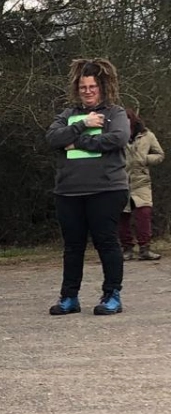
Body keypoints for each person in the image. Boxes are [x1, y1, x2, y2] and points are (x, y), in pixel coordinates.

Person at [44, 57, 130, 316]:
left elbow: (118, 139)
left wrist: (78, 142)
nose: (88, 91)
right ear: (77, 89)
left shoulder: (115, 113)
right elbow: (52, 138)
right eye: (83, 87)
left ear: (102, 87)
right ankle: (69, 297)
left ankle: (112, 295)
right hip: (68, 191)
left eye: (92, 86)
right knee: (72, 247)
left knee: (106, 242)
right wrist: (82, 125)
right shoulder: (68, 115)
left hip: (107, 190)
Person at [119, 108, 163, 262]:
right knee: (122, 216)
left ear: (133, 119)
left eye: (127, 118)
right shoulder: (116, 136)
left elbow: (159, 155)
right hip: (120, 181)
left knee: (144, 214)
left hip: (141, 181)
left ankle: (145, 248)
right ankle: (127, 248)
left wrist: (145, 159)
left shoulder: (147, 135)